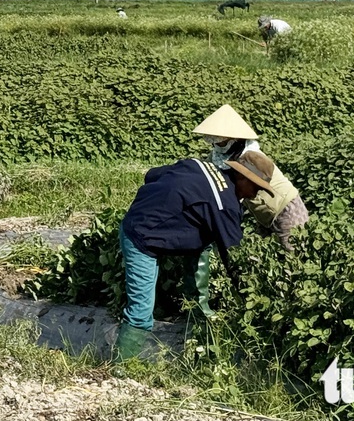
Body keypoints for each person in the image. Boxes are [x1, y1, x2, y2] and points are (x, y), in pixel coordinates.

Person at [115, 152, 274, 362]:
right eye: (256, 187)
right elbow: (232, 257)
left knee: (203, 240)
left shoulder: (198, 166)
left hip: (139, 221)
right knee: (141, 313)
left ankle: (196, 311)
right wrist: (249, 295)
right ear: (242, 177)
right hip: (140, 239)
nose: (255, 195)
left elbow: (152, 175)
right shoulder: (224, 204)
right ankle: (121, 368)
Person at [193, 104, 309, 252]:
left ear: (234, 138)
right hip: (264, 214)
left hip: (285, 206)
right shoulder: (219, 154)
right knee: (261, 255)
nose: (216, 143)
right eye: (214, 139)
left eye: (220, 139)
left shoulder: (251, 156)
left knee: (294, 252)